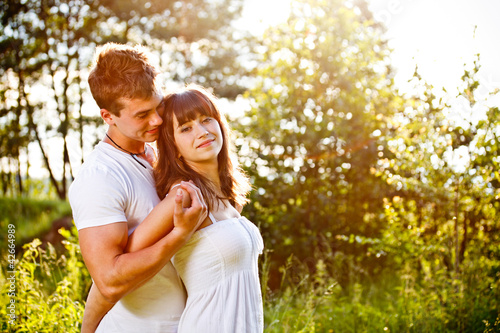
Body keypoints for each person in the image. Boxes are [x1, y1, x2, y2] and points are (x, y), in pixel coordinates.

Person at [83, 84, 265, 332]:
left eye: (206, 120)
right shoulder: (183, 198)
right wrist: (88, 328)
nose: (201, 132)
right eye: (186, 128)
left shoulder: (229, 197)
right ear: (175, 147)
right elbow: (115, 274)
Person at [68, 43, 207, 333]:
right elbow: (108, 279)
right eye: (142, 115)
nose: (156, 120)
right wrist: (180, 234)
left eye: (157, 107)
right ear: (108, 116)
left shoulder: (156, 156)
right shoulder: (100, 177)